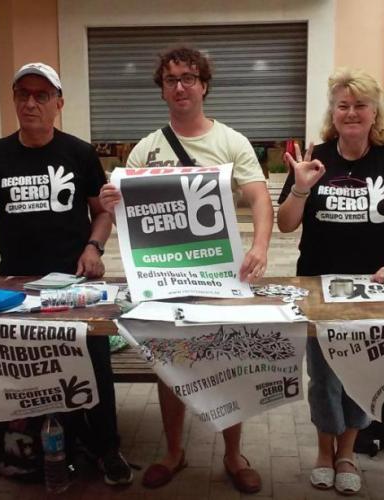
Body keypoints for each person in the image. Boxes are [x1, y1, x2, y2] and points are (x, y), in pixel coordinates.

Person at [0, 62, 132, 488]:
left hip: (75, 284)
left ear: (59, 103)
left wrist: (93, 248)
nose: (31, 103)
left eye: (41, 95)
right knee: (3, 366)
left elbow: (101, 213)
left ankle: (107, 447)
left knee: (94, 360)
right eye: (23, 95)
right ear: (14, 100)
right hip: (14, 285)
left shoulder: (79, 153)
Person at [99, 46, 273, 494]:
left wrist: (260, 246)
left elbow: (258, 197)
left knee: (228, 360)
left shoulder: (231, 142)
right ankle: (174, 452)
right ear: (162, 89)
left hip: (220, 275)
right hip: (165, 277)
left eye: (189, 78)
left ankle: (234, 455)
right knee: (169, 363)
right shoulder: (146, 148)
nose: (180, 86)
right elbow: (125, 215)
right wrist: (110, 203)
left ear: (204, 86)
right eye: (171, 79)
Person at [277, 68, 384, 495]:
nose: (351, 113)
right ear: (333, 112)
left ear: (375, 111)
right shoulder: (316, 156)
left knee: (362, 373)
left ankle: (347, 453)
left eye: (360, 105)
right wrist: (301, 188)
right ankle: (324, 452)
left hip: (373, 288)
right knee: (324, 377)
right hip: (318, 286)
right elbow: (286, 224)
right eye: (343, 105)